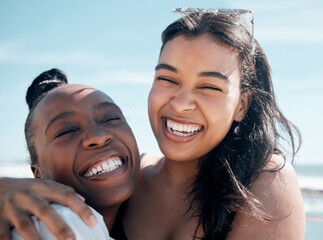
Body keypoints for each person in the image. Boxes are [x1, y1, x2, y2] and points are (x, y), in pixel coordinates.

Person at [0, 8, 305, 240]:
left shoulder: (263, 182)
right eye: (167, 79)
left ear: (242, 105)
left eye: (209, 87)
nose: (181, 102)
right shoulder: (120, 181)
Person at [2, 68, 140, 240]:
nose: (99, 136)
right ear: (38, 175)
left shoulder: (162, 190)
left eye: (111, 118)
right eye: (66, 131)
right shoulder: (40, 229)